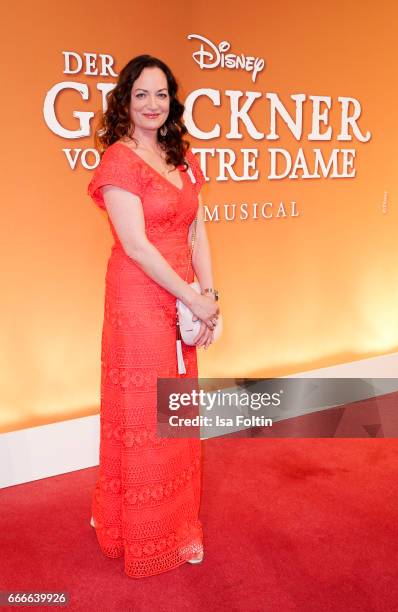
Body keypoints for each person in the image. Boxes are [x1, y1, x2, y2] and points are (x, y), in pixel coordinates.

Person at [87, 54, 220, 579]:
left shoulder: (181, 156)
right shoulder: (118, 161)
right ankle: (138, 528)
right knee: (146, 414)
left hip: (184, 297)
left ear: (171, 101)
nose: (151, 103)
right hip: (138, 301)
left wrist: (208, 294)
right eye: (141, 93)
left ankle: (180, 526)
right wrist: (193, 298)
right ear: (125, 99)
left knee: (178, 413)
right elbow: (138, 247)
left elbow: (198, 231)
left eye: (161, 94)